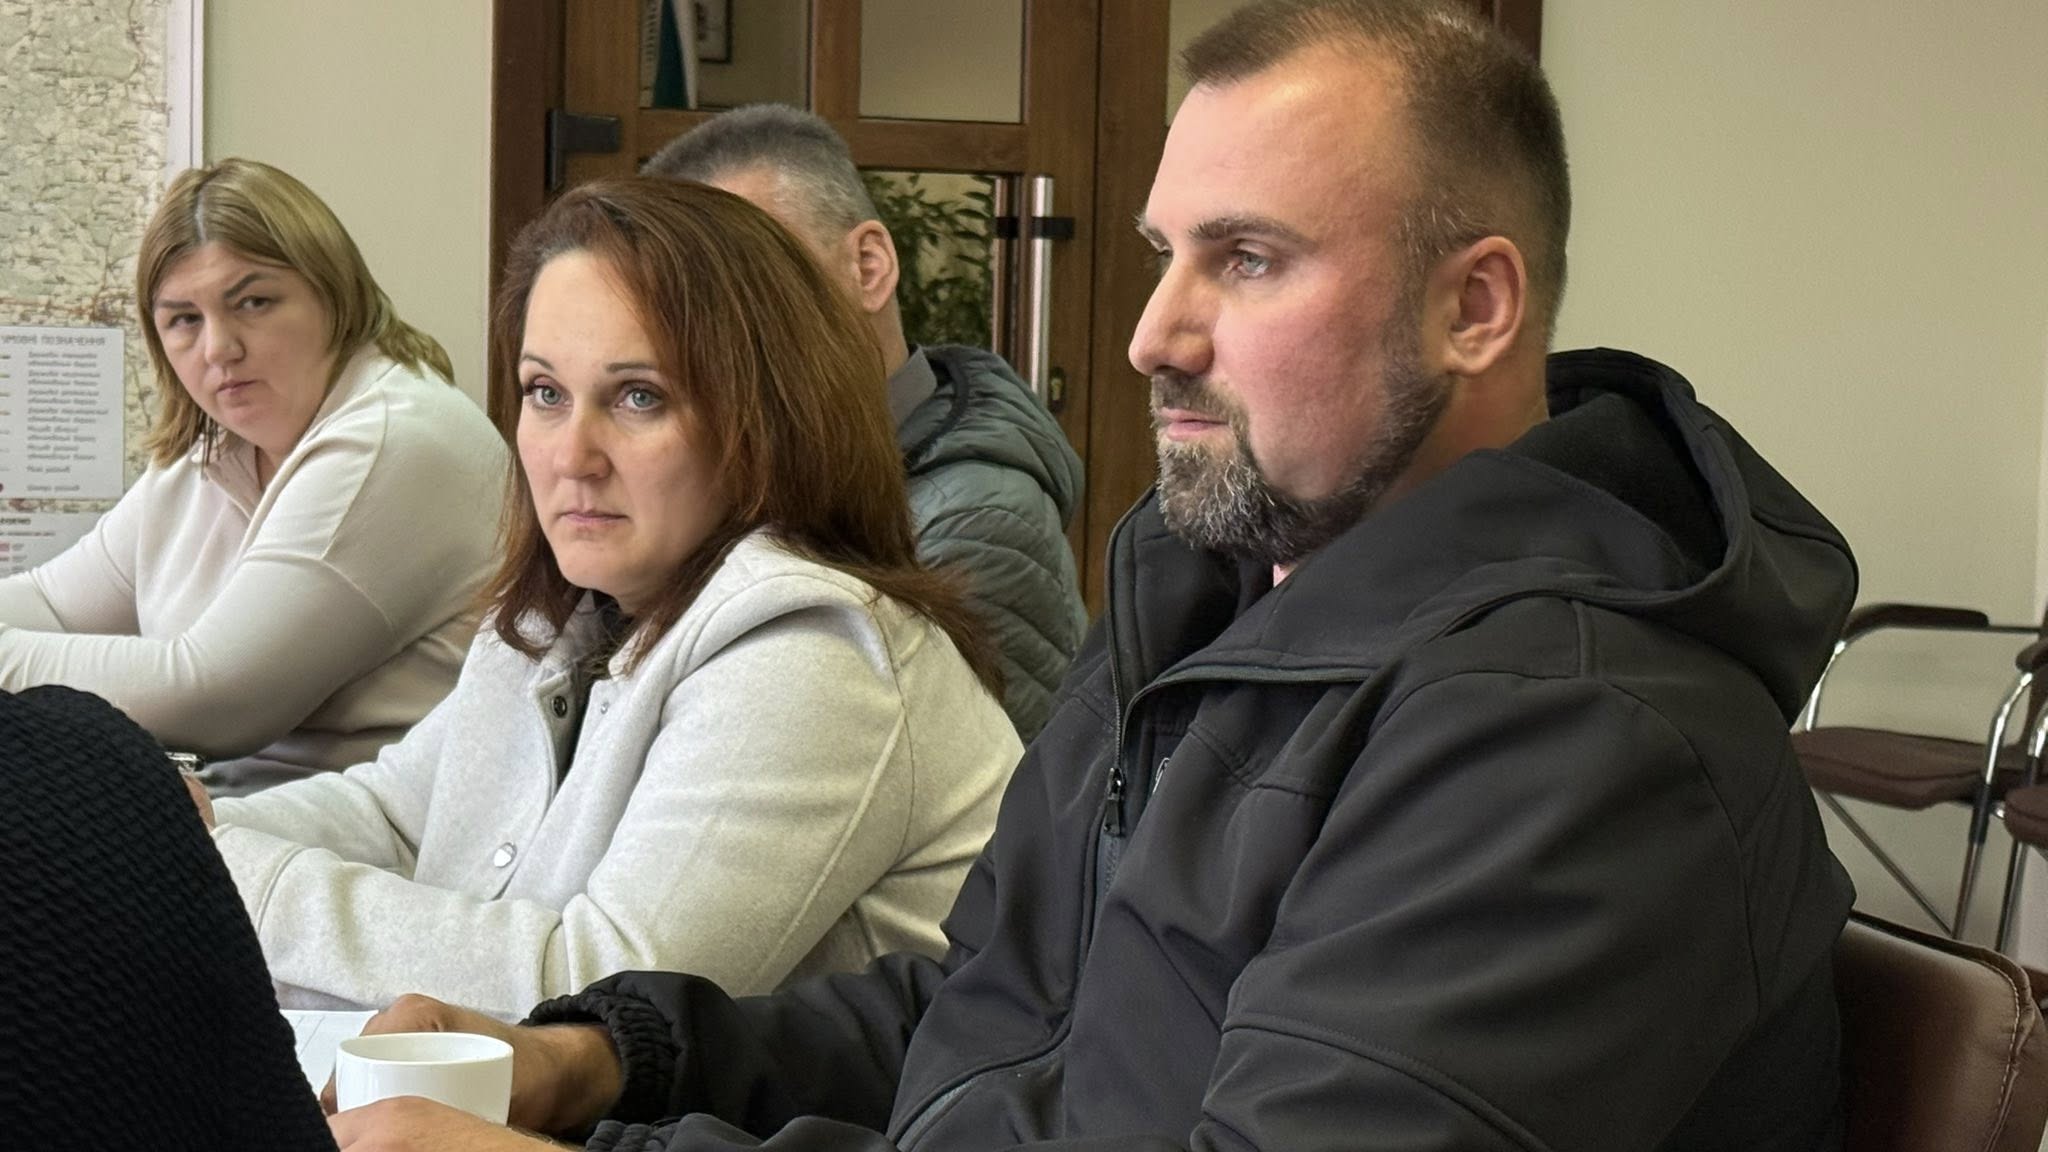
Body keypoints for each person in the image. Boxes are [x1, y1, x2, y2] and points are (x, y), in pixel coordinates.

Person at [335, 2, 1862, 1148]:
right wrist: (604, 1059)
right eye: (1162, 252)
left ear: (1475, 307)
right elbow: (989, 1019)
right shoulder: (1208, 611)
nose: (1152, 333)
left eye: (1246, 259)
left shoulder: (1579, 740)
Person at [197, 177, 1023, 1022]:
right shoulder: (569, 611)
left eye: (639, 397)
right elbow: (400, 815)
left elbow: (599, 992)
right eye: (545, 393)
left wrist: (223, 871)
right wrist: (183, 833)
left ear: (769, 419)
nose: (572, 456)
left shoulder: (815, 653)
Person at [0, 158, 505, 794]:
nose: (219, 348)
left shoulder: (394, 436)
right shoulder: (212, 449)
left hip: (359, 836)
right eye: (184, 319)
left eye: (254, 303)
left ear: (335, 294)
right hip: (233, 812)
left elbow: (213, 698)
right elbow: (55, 604)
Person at [644, 106, 1087, 742]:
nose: (724, 328)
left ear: (869, 266)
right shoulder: (750, 471)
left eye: (758, 280)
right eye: (690, 303)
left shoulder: (972, 525)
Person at [0, 685, 333, 1151]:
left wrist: (175, 841)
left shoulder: (87, 765)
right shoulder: (86, 763)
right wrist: (173, 834)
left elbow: (204, 683)